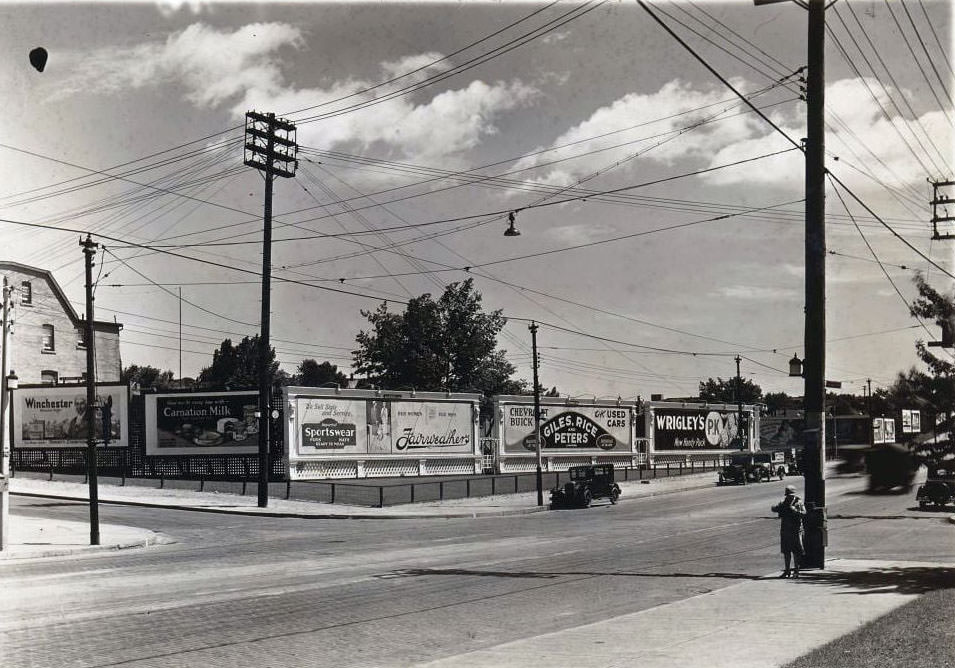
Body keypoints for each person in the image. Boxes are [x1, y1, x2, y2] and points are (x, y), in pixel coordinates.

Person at [771, 484, 806, 578]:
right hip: (789, 528)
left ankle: (792, 571)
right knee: (790, 551)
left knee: (792, 551)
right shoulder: (788, 501)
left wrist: (794, 510)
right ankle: (791, 571)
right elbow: (776, 509)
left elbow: (804, 513)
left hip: (791, 528)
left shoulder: (795, 501)